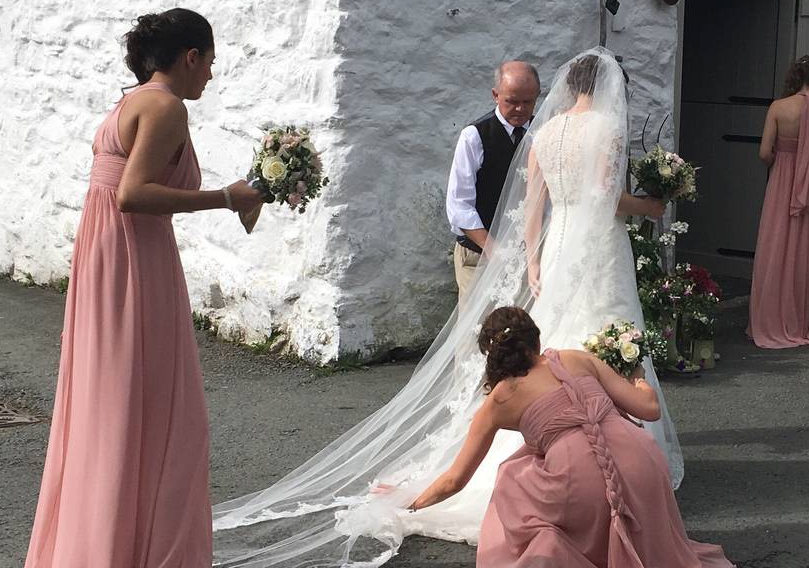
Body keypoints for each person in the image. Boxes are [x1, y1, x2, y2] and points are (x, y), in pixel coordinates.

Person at [211, 49, 683, 568]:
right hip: (598, 246)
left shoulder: (545, 133)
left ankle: (564, 453)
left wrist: (532, 262)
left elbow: (533, 203)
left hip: (557, 247)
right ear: (612, 86)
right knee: (605, 334)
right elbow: (606, 196)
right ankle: (622, 457)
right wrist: (652, 205)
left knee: (555, 342)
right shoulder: (606, 129)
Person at [24, 8, 263, 568]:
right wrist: (227, 197)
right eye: (210, 63)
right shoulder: (165, 105)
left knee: (111, 405)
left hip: (109, 254)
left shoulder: (129, 101)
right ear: (190, 57)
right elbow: (133, 194)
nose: (211, 76)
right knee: (161, 415)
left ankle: (102, 543)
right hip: (135, 259)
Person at [410, 307, 734, 568]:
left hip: (580, 483)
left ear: (491, 355)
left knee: (512, 476)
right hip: (644, 464)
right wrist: (638, 379)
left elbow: (454, 480)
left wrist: (411, 505)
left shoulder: (498, 401)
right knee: (538, 459)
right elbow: (648, 409)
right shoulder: (575, 358)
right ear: (536, 340)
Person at [747, 56, 809, 348]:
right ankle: (796, 320)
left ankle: (767, 319)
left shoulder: (778, 107)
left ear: (796, 77)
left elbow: (764, 152)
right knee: (802, 250)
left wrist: (783, 160)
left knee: (774, 244)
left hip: (782, 180)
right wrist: (808, 160)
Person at [446, 61, 540, 305]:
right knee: (479, 330)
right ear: (495, 95)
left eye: (528, 102)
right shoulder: (474, 136)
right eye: (511, 101)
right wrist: (494, 250)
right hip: (478, 257)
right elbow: (459, 205)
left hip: (529, 257)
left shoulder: (544, 132)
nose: (520, 108)